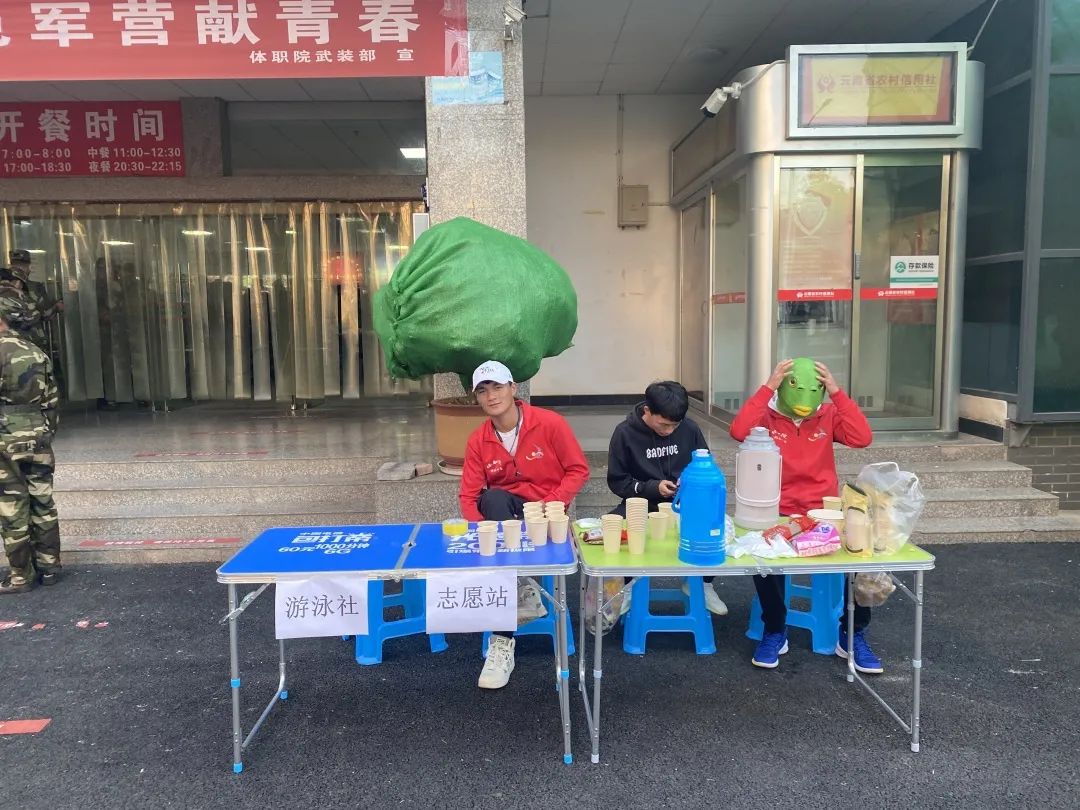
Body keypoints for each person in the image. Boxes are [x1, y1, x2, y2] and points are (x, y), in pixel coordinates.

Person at [730, 357, 877, 672]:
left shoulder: (828, 415)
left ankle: (852, 633)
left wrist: (836, 392)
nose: (805, 401)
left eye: (815, 390)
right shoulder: (767, 416)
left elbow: (862, 438)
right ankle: (774, 629)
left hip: (824, 511)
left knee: (859, 561)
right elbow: (739, 430)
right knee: (765, 563)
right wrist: (768, 387)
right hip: (778, 509)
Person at [459, 360, 590, 689]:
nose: (491, 396)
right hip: (505, 520)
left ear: (513, 388)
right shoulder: (478, 440)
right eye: (482, 390)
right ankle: (509, 627)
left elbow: (578, 470)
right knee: (492, 499)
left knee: (501, 546)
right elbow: (469, 496)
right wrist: (481, 531)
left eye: (497, 387)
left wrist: (550, 505)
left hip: (547, 518)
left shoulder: (550, 423)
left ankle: (514, 606)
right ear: (476, 398)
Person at [607, 380, 727, 615]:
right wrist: (652, 488)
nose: (669, 431)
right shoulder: (625, 433)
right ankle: (627, 585)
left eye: (675, 425)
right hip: (643, 502)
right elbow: (618, 481)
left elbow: (705, 465)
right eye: (663, 424)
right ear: (647, 410)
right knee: (615, 529)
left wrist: (689, 481)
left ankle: (702, 584)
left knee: (715, 528)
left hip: (685, 503)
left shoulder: (690, 429)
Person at [0, 296, 61, 594]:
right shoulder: (37, 352)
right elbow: (52, 400)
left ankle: (20, 576)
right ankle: (49, 568)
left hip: (4, 436)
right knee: (43, 501)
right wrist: (46, 432)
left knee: (12, 506)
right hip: (38, 434)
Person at [4, 249, 64, 353]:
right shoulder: (35, 287)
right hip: (31, 343)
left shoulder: (3, 286)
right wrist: (57, 307)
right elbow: (45, 314)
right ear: (29, 267)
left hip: (7, 344)